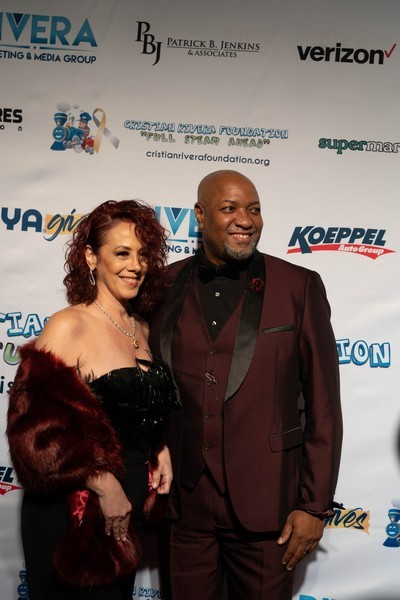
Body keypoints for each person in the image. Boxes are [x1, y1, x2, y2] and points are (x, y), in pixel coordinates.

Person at [149, 170, 343, 600]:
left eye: (254, 209)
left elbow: (324, 406)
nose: (245, 219)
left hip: (268, 508)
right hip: (183, 508)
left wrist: (314, 506)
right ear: (200, 215)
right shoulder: (161, 285)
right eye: (230, 208)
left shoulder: (298, 286)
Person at [7, 200, 177, 600]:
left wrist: (157, 446)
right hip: (72, 513)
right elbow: (30, 433)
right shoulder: (70, 325)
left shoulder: (140, 327)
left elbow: (130, 410)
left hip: (124, 508)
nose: (135, 266)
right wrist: (103, 486)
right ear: (90, 257)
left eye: (142, 255)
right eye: (122, 253)